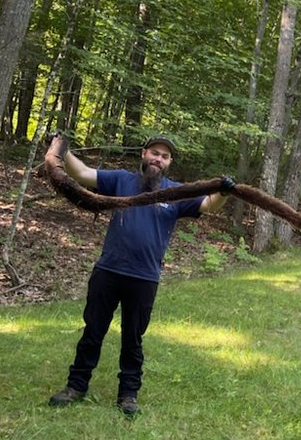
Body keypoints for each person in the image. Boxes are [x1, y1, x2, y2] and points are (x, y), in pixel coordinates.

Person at [48, 133, 236, 415]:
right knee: (93, 331)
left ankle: (128, 395)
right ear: (144, 154)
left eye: (165, 156)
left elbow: (208, 205)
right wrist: (61, 147)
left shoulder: (176, 191)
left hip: (145, 277)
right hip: (108, 270)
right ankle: (76, 386)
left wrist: (223, 191)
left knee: (133, 338)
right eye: (155, 153)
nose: (159, 159)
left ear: (169, 162)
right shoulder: (122, 180)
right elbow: (83, 173)